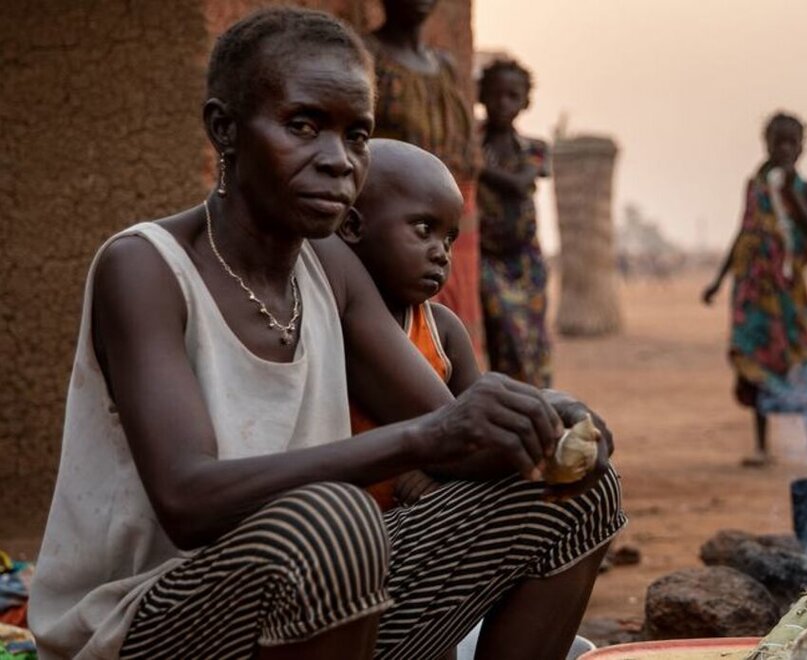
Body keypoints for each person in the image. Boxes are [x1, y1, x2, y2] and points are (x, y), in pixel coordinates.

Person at [28, 9, 624, 660]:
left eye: (357, 135)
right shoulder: (145, 267)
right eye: (303, 126)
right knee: (336, 521)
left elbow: (454, 435)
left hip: (318, 593)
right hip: (143, 620)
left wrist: (540, 422)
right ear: (224, 129)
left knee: (573, 493)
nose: (338, 161)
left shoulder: (330, 268)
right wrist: (427, 438)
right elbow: (187, 499)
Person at [338, 138, 480, 509]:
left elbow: (479, 439)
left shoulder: (443, 333)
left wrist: (437, 476)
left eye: (449, 238)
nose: (441, 253)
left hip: (423, 523)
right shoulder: (327, 321)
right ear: (352, 227)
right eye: (423, 229)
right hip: (340, 530)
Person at [702, 111, 807, 469]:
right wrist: (719, 279)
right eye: (778, 141)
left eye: (793, 142)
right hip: (754, 292)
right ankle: (762, 446)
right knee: (755, 362)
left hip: (789, 295)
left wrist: (788, 191)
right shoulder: (754, 188)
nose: (785, 149)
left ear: (802, 146)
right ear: (766, 143)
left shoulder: (806, 188)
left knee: (797, 359)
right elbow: (743, 234)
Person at [364, 0, 484, 352]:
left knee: (456, 313)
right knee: (408, 317)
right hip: (401, 208)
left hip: (460, 211)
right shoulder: (368, 56)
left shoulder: (445, 65)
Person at [477, 58, 553, 387]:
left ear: (525, 102)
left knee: (533, 340)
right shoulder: (472, 145)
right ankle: (508, 399)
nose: (503, 103)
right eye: (496, 95)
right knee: (503, 335)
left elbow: (520, 183)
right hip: (486, 258)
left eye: (512, 95)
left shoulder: (534, 149)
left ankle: (535, 401)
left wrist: (476, 166)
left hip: (526, 260)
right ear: (481, 97)